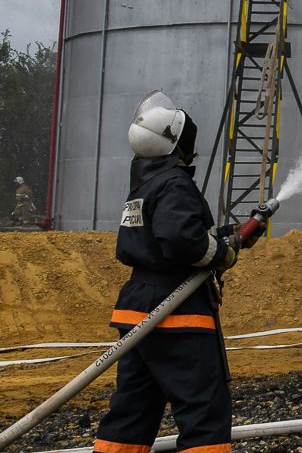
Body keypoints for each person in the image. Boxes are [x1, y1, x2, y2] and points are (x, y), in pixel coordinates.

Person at [93, 91, 240, 453]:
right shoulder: (175, 184)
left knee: (132, 411)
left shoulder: (144, 186)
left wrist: (216, 237)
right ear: (177, 144)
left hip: (137, 310)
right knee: (204, 410)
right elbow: (180, 241)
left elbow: (161, 240)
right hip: (177, 313)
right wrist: (223, 253)